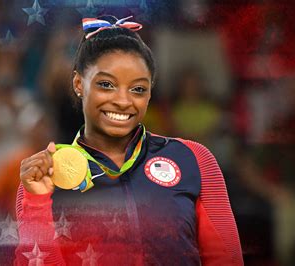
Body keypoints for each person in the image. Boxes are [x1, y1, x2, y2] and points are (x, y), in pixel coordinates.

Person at [15, 15, 243, 266]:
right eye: (106, 84)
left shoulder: (193, 158)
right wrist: (36, 204)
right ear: (79, 83)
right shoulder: (46, 175)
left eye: (137, 89)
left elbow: (226, 260)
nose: (123, 101)